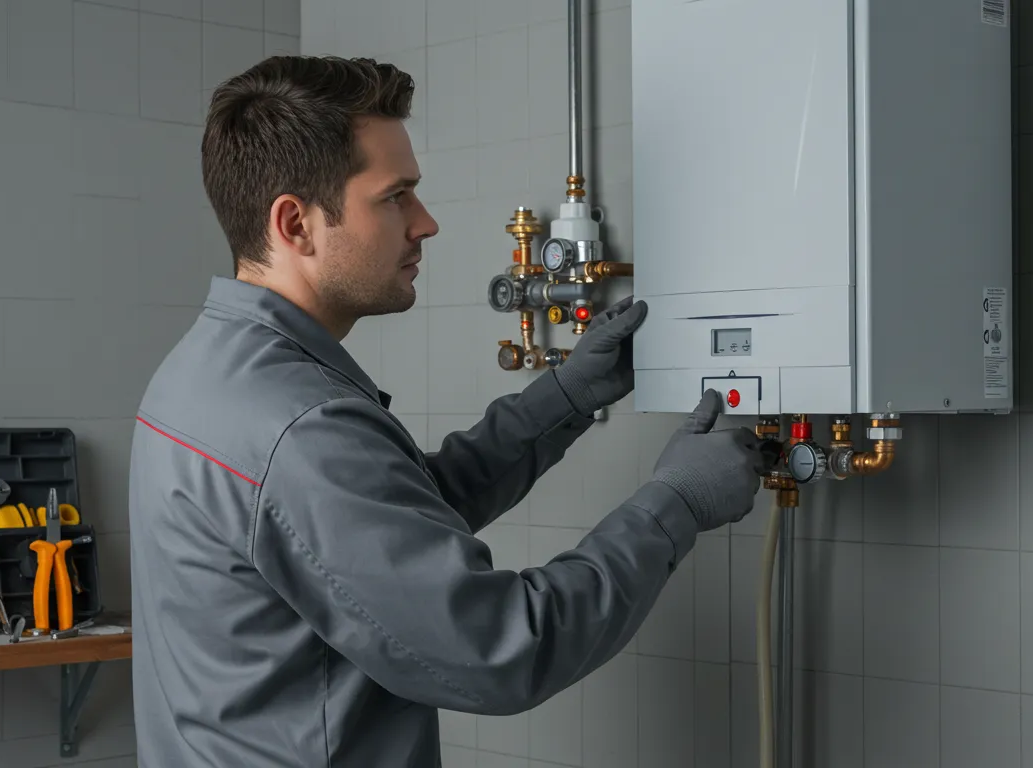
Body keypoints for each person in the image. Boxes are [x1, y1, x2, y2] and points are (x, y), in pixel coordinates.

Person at [128, 54, 766, 767]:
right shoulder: (299, 428)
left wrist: (566, 394)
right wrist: (674, 504)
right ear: (296, 224)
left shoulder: (205, 373)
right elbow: (499, 649)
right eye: (395, 195)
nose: (425, 223)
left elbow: (389, 524)